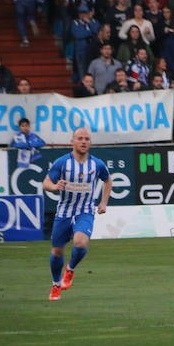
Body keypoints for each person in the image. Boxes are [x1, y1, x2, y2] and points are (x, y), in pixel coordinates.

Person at [41, 127, 111, 301]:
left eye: (87, 139)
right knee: (57, 252)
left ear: (90, 142)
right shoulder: (62, 162)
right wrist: (55, 187)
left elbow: (108, 180)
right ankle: (56, 284)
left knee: (80, 243)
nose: (83, 141)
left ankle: (70, 269)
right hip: (64, 211)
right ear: (72, 141)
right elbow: (46, 182)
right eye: (80, 138)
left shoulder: (96, 164)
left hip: (85, 211)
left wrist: (103, 202)